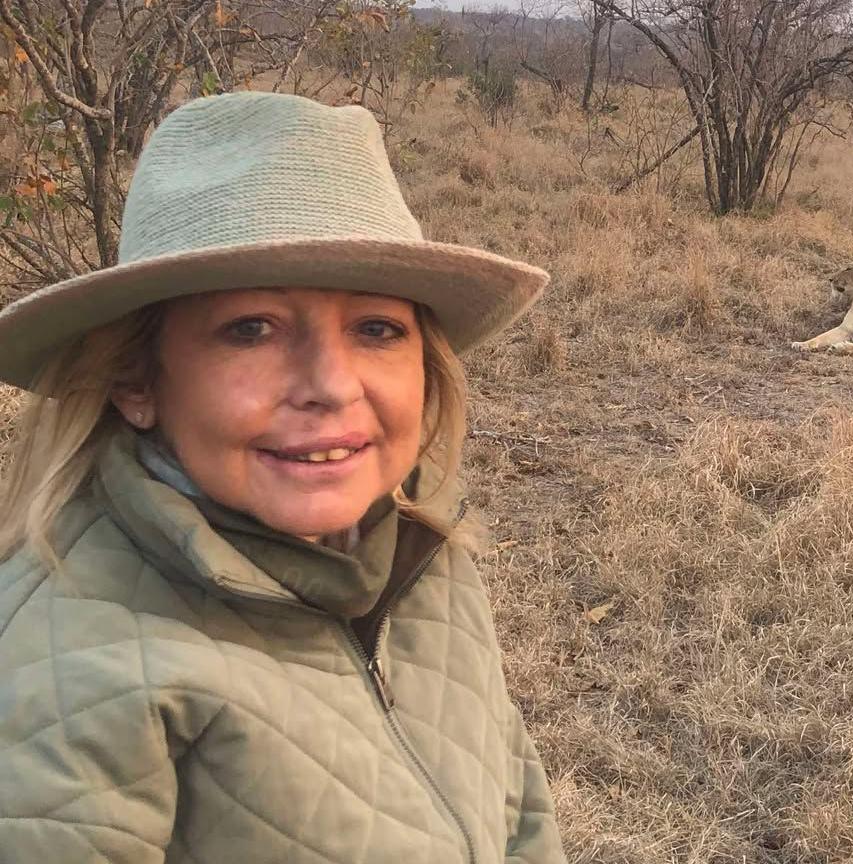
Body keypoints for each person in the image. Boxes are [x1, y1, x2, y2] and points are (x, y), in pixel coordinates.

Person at [0, 91, 566, 864]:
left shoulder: (422, 564)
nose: (331, 385)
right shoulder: (66, 674)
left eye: (376, 329)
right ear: (136, 381)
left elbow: (519, 815)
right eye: (251, 329)